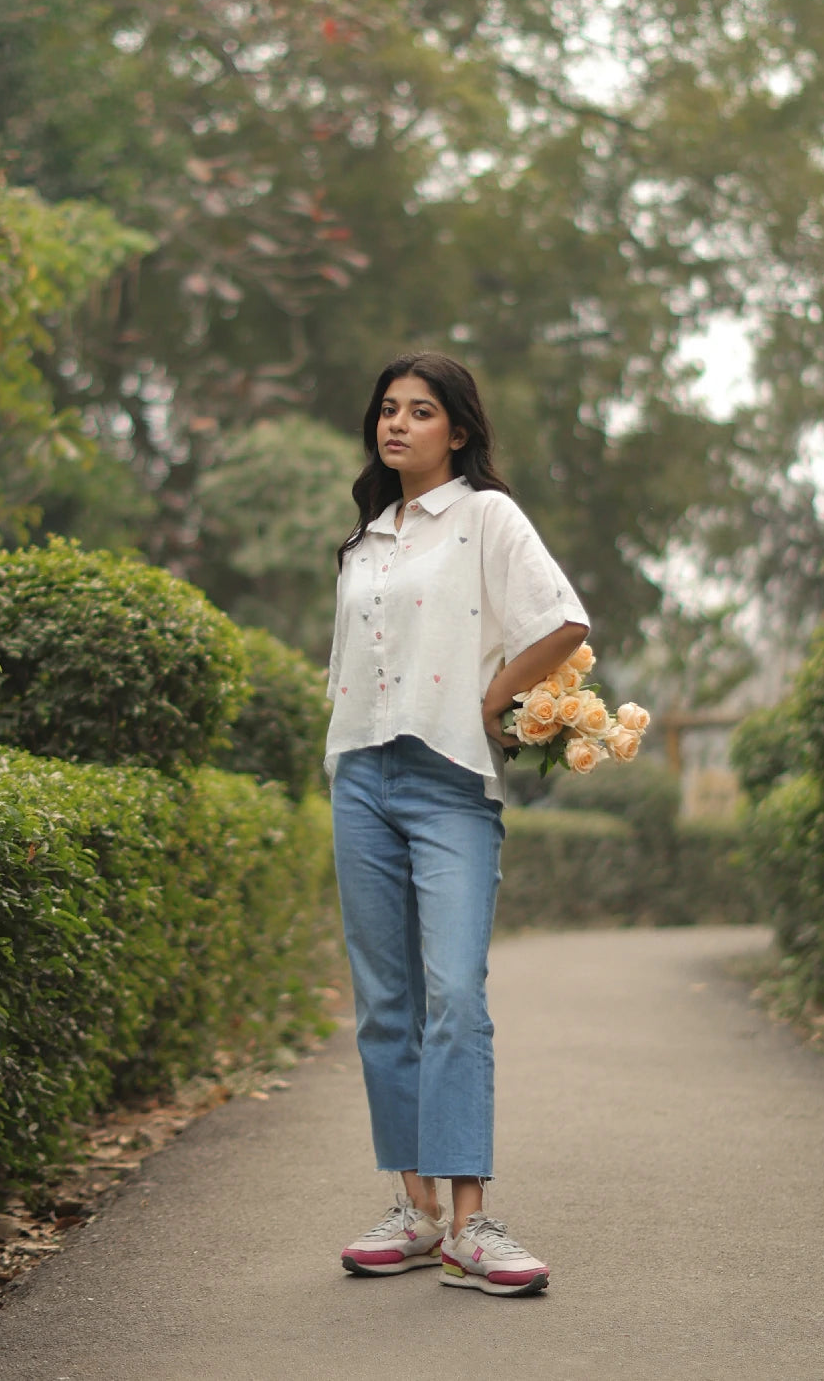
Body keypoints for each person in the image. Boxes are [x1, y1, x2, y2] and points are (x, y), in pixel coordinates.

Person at [325, 352, 588, 1298]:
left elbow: (563, 622)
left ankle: (473, 1226)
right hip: (359, 775)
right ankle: (415, 1211)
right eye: (387, 410)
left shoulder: (485, 517)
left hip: (448, 783)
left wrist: (494, 700)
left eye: (421, 411)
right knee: (384, 1004)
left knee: (454, 1000)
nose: (397, 424)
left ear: (460, 431)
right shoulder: (366, 538)